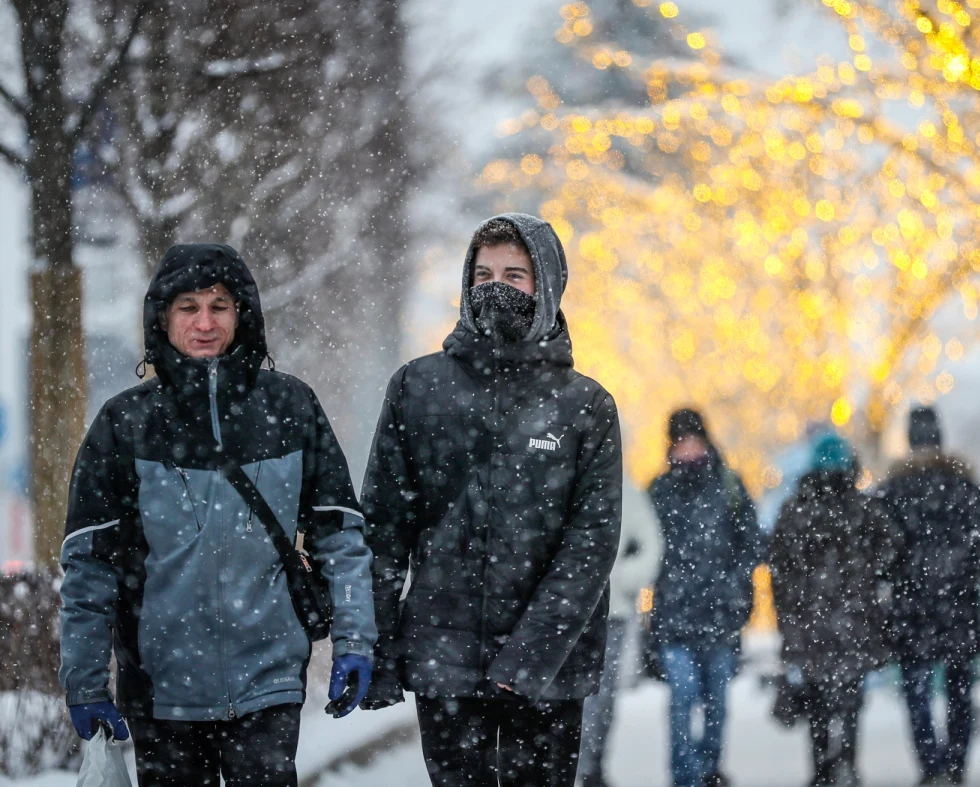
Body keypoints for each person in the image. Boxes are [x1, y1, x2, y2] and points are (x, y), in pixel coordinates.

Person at [58, 244, 377, 786]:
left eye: (219, 306)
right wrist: (85, 683)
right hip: (162, 690)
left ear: (242, 314)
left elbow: (340, 535)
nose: (205, 322)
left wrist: (355, 642)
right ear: (163, 317)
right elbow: (89, 568)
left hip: (270, 683)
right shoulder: (124, 423)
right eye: (188, 307)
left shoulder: (291, 406)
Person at [359, 214, 623, 787]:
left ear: (546, 285)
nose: (495, 288)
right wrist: (373, 643)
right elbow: (382, 530)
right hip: (444, 662)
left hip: (550, 671)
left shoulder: (586, 407)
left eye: (514, 274)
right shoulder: (417, 389)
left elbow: (591, 547)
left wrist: (529, 657)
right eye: (482, 274)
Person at [877, 406, 980, 786]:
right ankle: (955, 766)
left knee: (916, 691)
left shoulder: (892, 490)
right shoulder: (966, 487)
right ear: (939, 437)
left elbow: (879, 555)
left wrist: (887, 587)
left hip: (912, 605)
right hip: (958, 602)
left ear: (909, 439)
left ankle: (930, 764)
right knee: (959, 689)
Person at [769, 433, 900, 787]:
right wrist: (866, 578)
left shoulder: (794, 509)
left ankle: (821, 768)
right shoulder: (863, 508)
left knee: (817, 700)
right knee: (850, 698)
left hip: (810, 622)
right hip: (854, 620)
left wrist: (789, 615)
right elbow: (890, 551)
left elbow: (778, 569)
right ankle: (848, 763)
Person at [649, 408, 761, 787]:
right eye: (681, 442)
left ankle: (708, 768)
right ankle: (685, 774)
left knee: (717, 703)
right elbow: (648, 550)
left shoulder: (729, 485)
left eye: (692, 440)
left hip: (719, 616)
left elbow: (751, 544)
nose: (687, 449)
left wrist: (734, 587)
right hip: (675, 617)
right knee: (683, 698)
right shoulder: (660, 491)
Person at [577, 477, 664, 787]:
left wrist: (623, 580)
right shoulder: (563, 484)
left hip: (611, 612)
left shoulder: (628, 493)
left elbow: (651, 544)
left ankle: (591, 767)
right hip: (563, 611)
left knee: (601, 696)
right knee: (570, 696)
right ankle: (575, 767)